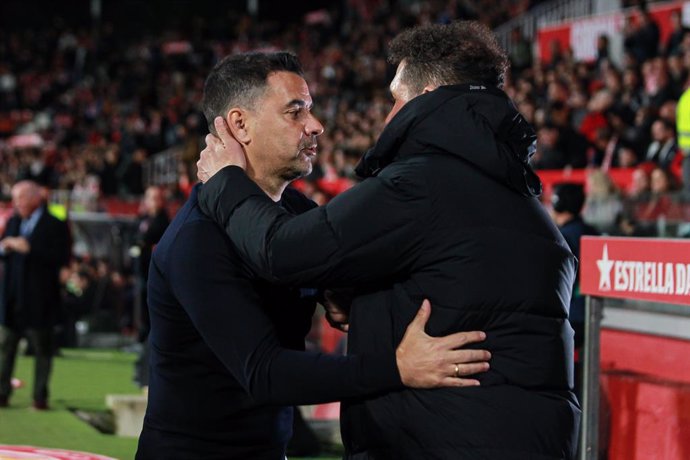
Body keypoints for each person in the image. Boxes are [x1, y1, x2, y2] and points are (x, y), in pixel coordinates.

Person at [197, 21, 580, 459]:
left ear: (429, 95)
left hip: (440, 439)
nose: (388, 116)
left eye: (396, 99)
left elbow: (281, 252)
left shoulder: (421, 185)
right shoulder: (525, 201)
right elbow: (451, 283)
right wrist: (356, 296)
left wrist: (224, 181)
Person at [136, 51, 491, 460]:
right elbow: (266, 372)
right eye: (295, 112)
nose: (315, 125)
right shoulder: (196, 239)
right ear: (240, 124)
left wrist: (337, 291)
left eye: (312, 109)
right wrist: (397, 367)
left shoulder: (296, 216)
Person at [0, 180, 71, 409]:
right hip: (12, 296)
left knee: (42, 349)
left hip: (41, 298)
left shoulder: (55, 224)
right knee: (5, 346)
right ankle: (2, 393)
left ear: (35, 198)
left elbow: (61, 257)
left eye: (20, 198)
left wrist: (30, 249)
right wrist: (6, 246)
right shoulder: (14, 221)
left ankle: (40, 397)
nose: (16, 203)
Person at [132, 186, 170, 387]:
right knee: (141, 315)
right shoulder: (142, 220)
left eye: (156, 198)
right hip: (141, 274)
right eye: (150, 198)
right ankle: (142, 355)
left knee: (151, 318)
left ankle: (147, 359)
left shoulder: (163, 223)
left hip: (153, 277)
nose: (153, 202)